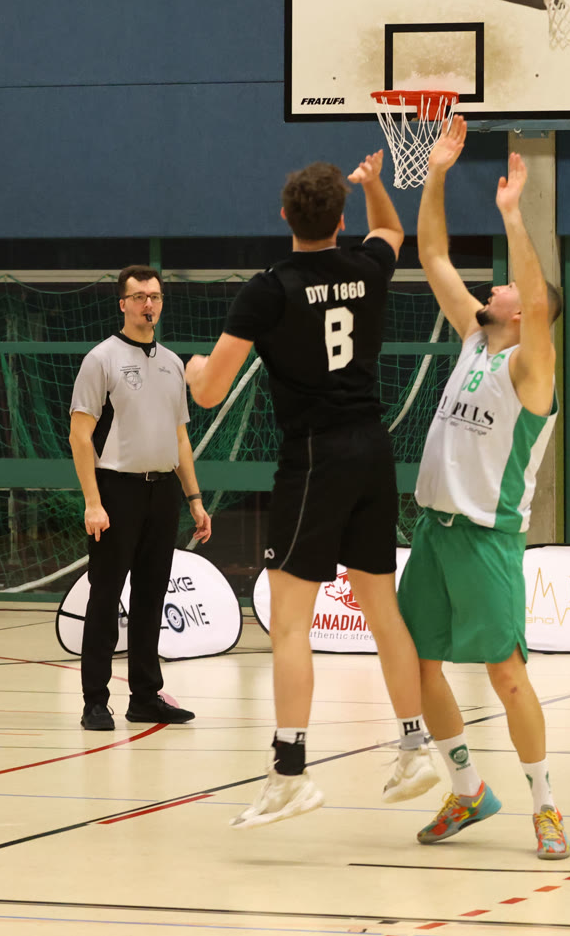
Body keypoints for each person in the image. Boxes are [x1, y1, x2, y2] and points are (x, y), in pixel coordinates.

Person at [185, 154, 437, 828]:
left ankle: (291, 772)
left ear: (284, 216)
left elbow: (210, 391)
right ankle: (415, 747)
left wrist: (193, 369)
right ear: (341, 220)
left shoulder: (269, 289)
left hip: (315, 455)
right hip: (372, 448)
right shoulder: (366, 266)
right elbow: (393, 232)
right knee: (382, 608)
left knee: (292, 623)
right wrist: (375, 184)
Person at [401, 119, 570, 859]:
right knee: (417, 666)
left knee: (506, 675)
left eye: (506, 288)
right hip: (433, 533)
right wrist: (437, 171)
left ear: (527, 313)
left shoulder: (530, 370)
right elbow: (432, 254)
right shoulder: (474, 338)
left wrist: (513, 216)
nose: (494, 287)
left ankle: (545, 804)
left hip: (487, 539)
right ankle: (468, 788)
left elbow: (530, 287)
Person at [66, 264, 210, 732]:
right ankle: (94, 701)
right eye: (140, 297)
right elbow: (80, 436)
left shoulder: (171, 363)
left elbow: (180, 438)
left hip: (162, 493)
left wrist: (194, 498)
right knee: (106, 596)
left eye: (156, 296)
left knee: (151, 596)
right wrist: (93, 502)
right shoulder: (101, 360)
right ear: (123, 304)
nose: (149, 304)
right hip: (116, 492)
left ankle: (146, 697)